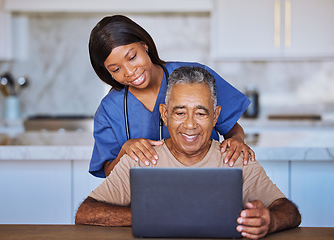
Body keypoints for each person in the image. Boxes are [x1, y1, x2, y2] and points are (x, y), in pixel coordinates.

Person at [76, 66, 301, 239]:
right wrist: (149, 216)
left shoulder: (235, 159)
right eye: (180, 113)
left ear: (216, 116)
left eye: (201, 114)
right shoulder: (141, 159)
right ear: (164, 115)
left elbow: (289, 211)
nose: (190, 125)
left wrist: (269, 221)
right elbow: (85, 213)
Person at [88, 15, 255, 178]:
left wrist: (237, 139)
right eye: (116, 69)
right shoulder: (109, 109)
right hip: (144, 196)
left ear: (144, 45)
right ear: (107, 72)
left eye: (132, 57)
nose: (130, 72)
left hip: (205, 183)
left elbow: (231, 128)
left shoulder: (196, 77)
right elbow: (108, 171)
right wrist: (124, 152)